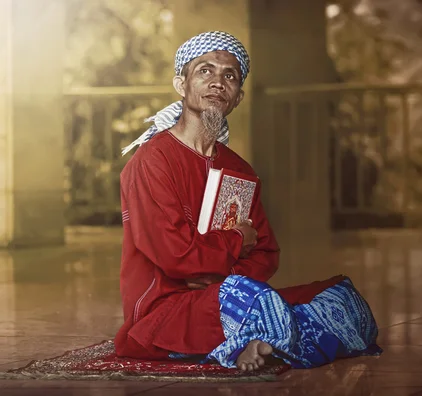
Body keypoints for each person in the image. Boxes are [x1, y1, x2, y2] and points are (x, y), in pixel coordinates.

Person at [115, 31, 382, 371]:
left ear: (238, 97)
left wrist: (224, 277)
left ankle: (261, 337)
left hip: (225, 292)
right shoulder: (152, 161)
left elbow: (267, 254)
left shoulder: (238, 169)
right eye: (205, 71)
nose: (217, 82)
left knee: (343, 298)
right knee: (249, 302)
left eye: (229, 75)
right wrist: (237, 241)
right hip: (165, 311)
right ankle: (263, 335)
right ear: (181, 84)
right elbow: (174, 255)